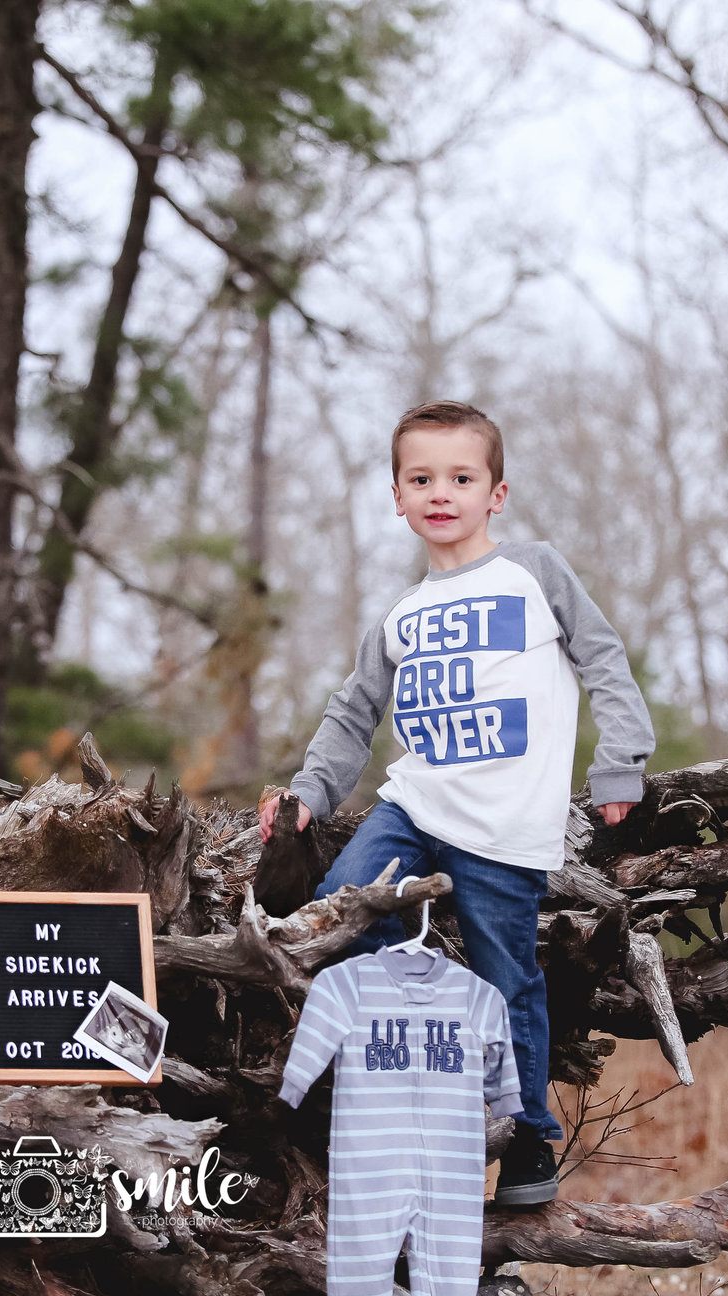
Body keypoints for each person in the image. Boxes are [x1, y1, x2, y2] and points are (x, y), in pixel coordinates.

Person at [261, 400, 653, 1207]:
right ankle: (403, 1100)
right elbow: (352, 712)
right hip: (413, 804)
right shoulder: (402, 614)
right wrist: (308, 794)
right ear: (398, 496)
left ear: (495, 495)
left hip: (505, 826)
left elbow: (604, 658)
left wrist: (621, 763)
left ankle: (531, 1145)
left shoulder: (534, 573)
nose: (442, 493)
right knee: (337, 925)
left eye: (461, 478)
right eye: (422, 478)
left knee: (510, 980)